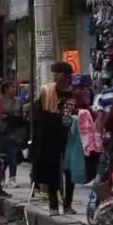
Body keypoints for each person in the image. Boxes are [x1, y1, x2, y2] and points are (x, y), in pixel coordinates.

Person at [31, 62, 86, 216]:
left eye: (58, 73)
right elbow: (37, 113)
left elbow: (84, 114)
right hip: (50, 137)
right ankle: (53, 204)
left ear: (67, 76)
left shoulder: (75, 96)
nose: (55, 76)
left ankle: (68, 204)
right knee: (51, 170)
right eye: (54, 73)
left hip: (70, 137)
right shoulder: (47, 92)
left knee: (69, 170)